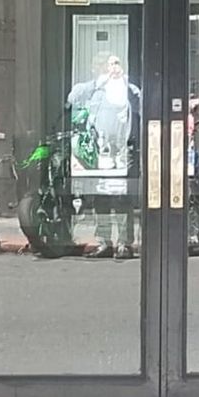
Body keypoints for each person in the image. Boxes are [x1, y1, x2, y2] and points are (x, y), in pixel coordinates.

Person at [67, 53, 141, 259]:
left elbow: (142, 105)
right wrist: (97, 83)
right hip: (100, 152)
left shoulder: (130, 89)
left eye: (117, 63)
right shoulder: (96, 89)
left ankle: (124, 244)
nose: (114, 68)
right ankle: (104, 242)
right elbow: (73, 98)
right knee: (101, 198)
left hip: (124, 152)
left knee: (122, 198)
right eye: (110, 64)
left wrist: (126, 85)